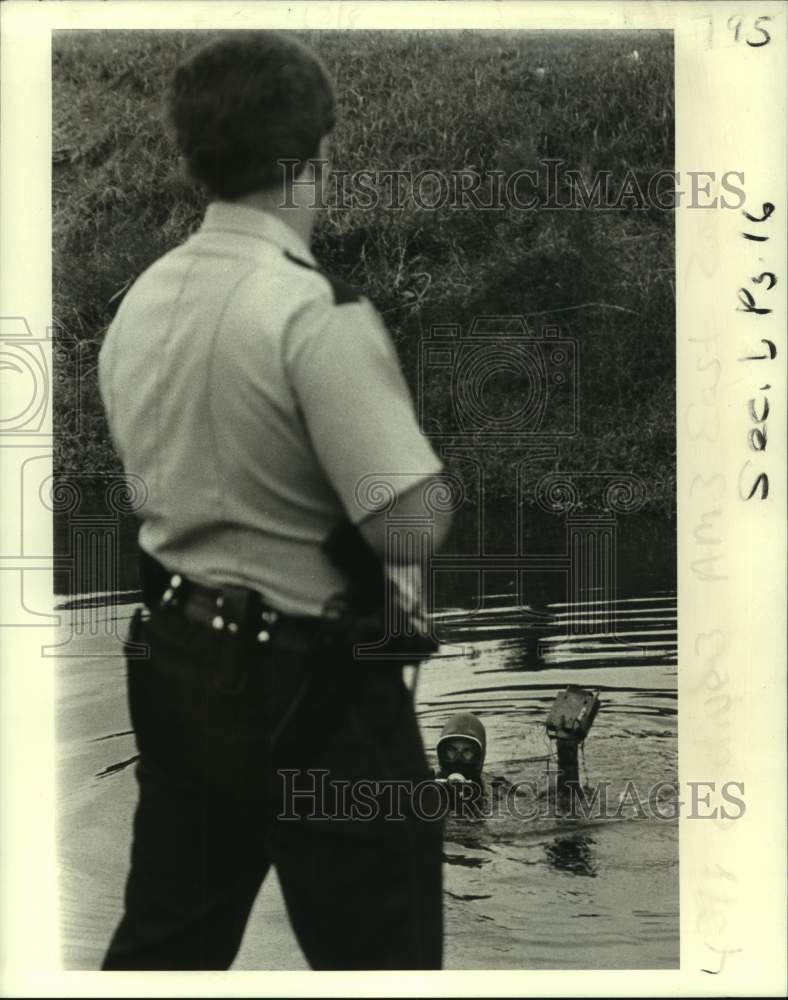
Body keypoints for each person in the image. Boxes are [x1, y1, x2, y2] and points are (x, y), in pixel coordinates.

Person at [98, 32, 450, 971]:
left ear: (195, 153)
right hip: (318, 694)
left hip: (177, 666)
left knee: (166, 949)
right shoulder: (313, 311)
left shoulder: (143, 299)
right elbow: (410, 522)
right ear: (317, 155)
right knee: (390, 957)